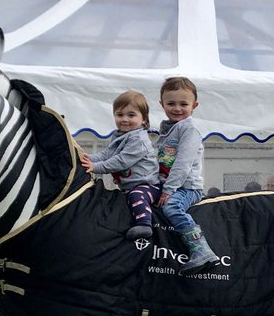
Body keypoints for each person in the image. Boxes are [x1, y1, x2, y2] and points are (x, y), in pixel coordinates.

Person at [155, 76, 220, 274]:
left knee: (172, 208)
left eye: (183, 104)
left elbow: (182, 165)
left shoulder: (189, 130)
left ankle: (201, 250)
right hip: (171, 185)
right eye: (171, 103)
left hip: (187, 187)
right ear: (162, 104)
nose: (177, 108)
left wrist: (168, 190)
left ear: (194, 105)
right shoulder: (166, 131)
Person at [81, 91, 160, 240]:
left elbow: (121, 161)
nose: (124, 119)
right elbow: (106, 155)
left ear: (144, 119)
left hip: (148, 185)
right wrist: (85, 158)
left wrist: (96, 167)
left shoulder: (139, 140)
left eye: (131, 115)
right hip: (128, 186)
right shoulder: (119, 136)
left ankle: (144, 224)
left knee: (137, 195)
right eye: (120, 115)